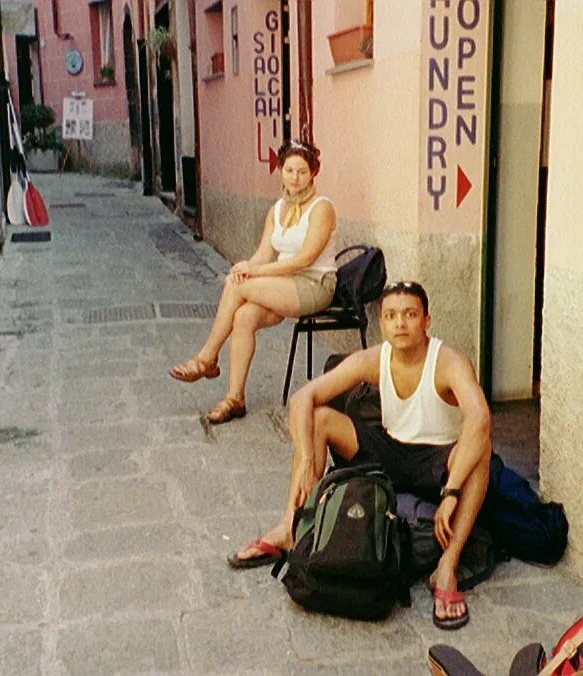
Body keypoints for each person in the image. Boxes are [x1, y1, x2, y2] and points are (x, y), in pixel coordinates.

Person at [227, 281, 492, 631]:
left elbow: (480, 418)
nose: (400, 324)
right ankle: (289, 527)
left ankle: (447, 566)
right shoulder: (375, 358)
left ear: (427, 320)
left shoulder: (449, 361)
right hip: (388, 453)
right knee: (320, 419)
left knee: (480, 449)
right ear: (381, 323)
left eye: (410, 315)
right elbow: (303, 398)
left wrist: (452, 491)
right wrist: (307, 459)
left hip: (437, 460)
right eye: (391, 316)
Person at [168, 141, 338, 423]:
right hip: (283, 284)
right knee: (244, 315)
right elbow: (263, 253)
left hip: (314, 284)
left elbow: (305, 260)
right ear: (280, 171)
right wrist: (245, 266)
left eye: (302, 172)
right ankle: (235, 398)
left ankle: (206, 358)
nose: (295, 177)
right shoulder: (278, 209)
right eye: (289, 170)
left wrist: (254, 274)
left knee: (238, 286)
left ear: (313, 174)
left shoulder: (322, 208)